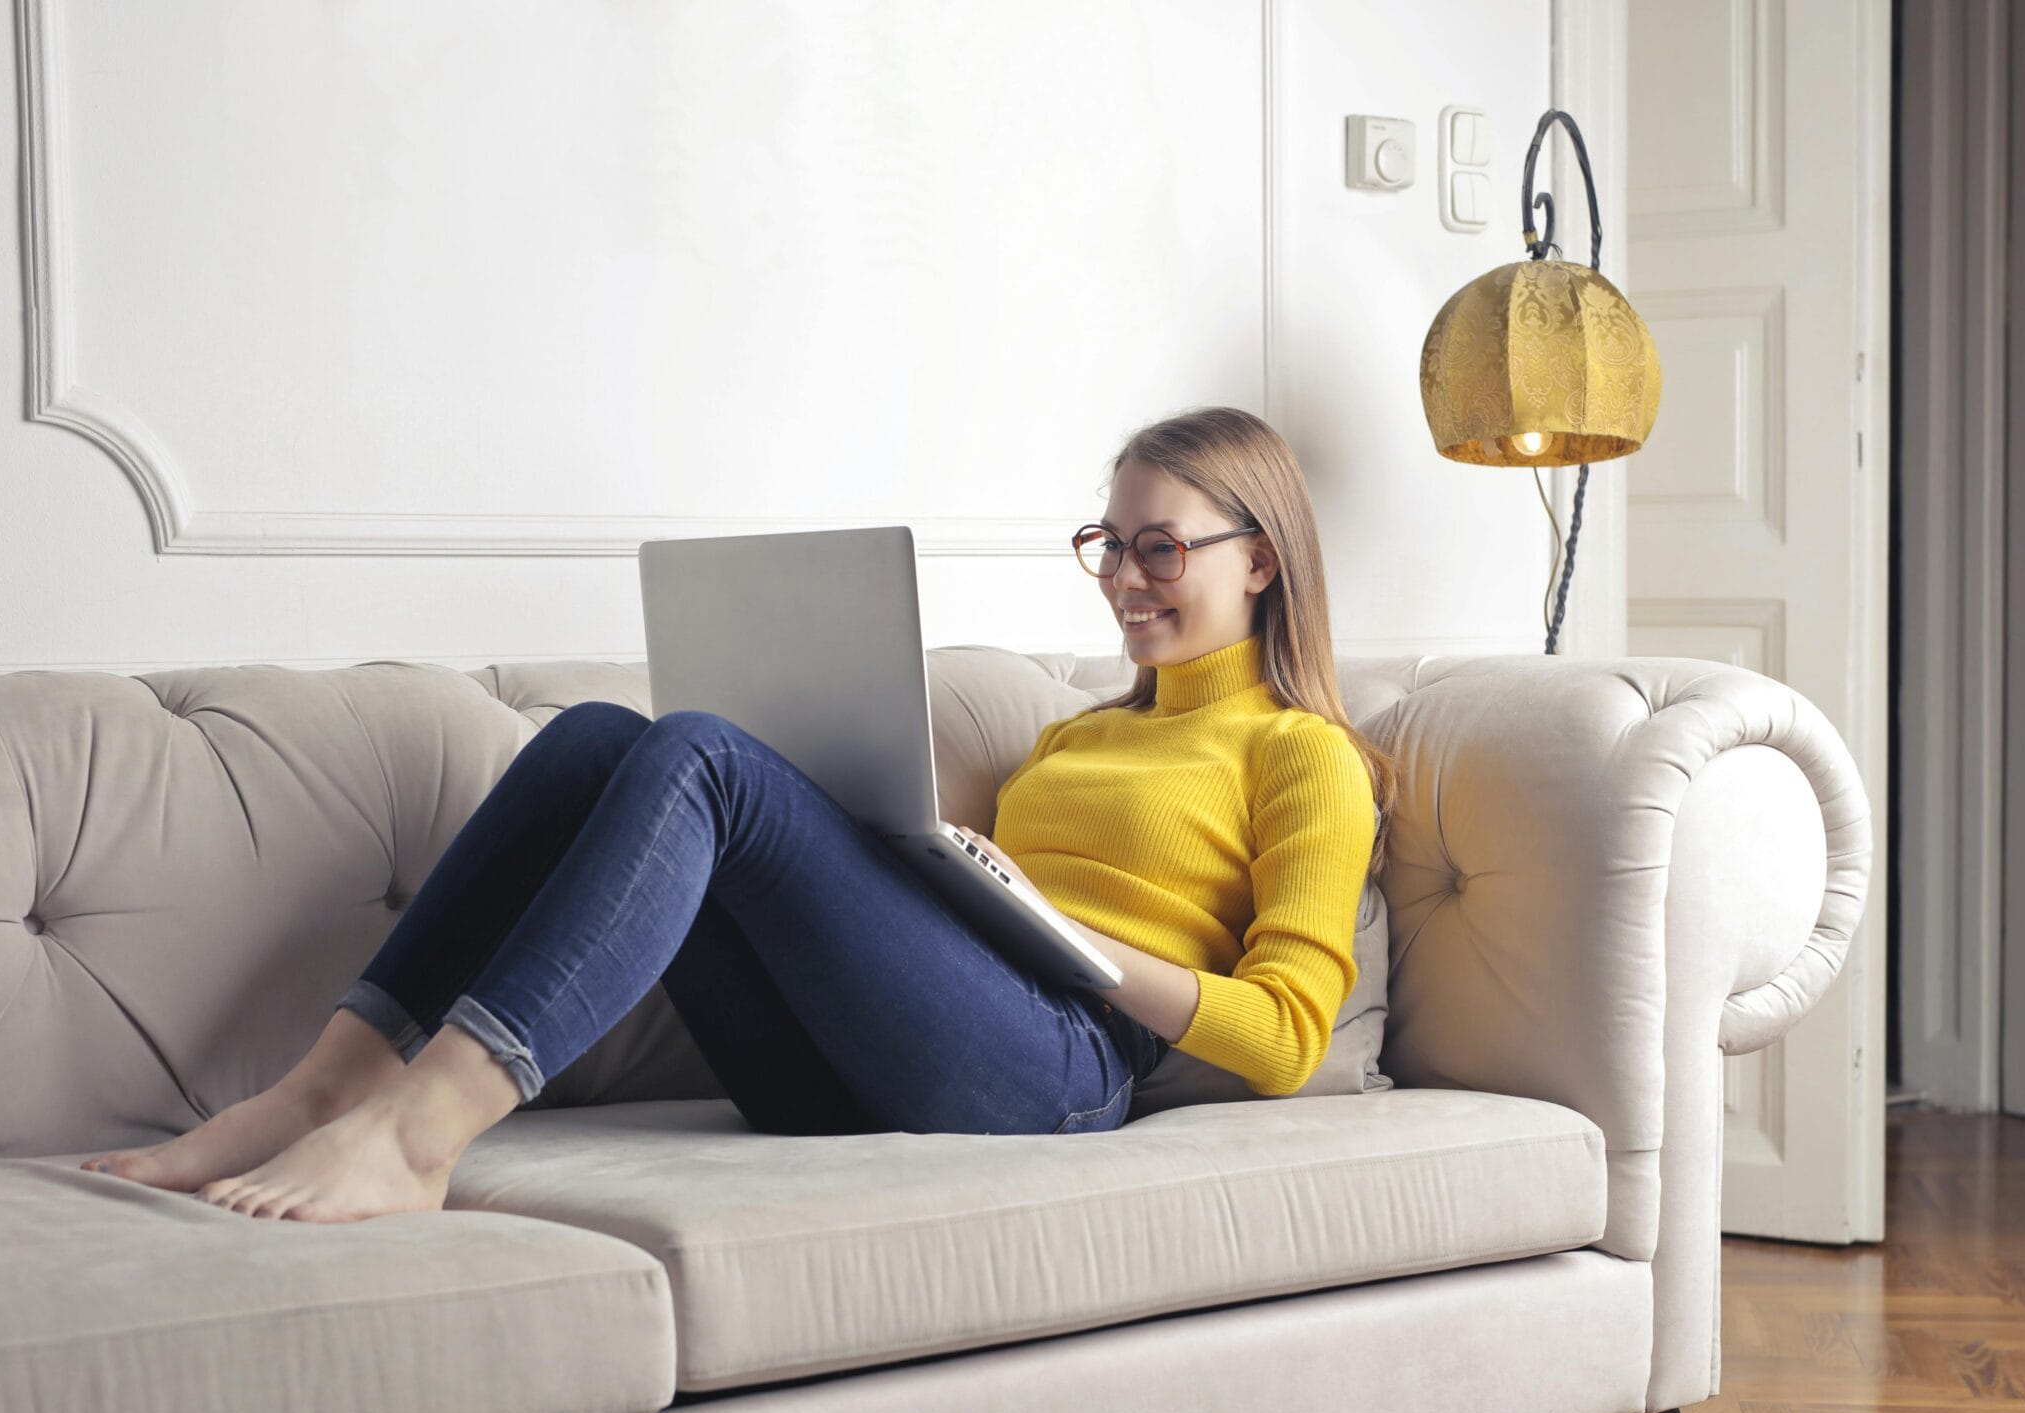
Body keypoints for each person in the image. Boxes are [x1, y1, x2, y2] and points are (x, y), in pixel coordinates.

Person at [81, 405, 1394, 1223]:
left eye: (1157, 545)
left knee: (703, 755)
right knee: (606, 740)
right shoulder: (1081, 732)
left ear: (1261, 558)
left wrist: (1077, 942)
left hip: (1061, 1066)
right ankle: (326, 1088)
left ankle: (421, 1134)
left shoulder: (1304, 754)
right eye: (1107, 543)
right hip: (865, 1062)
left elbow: (1283, 1036)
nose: (1122, 577)